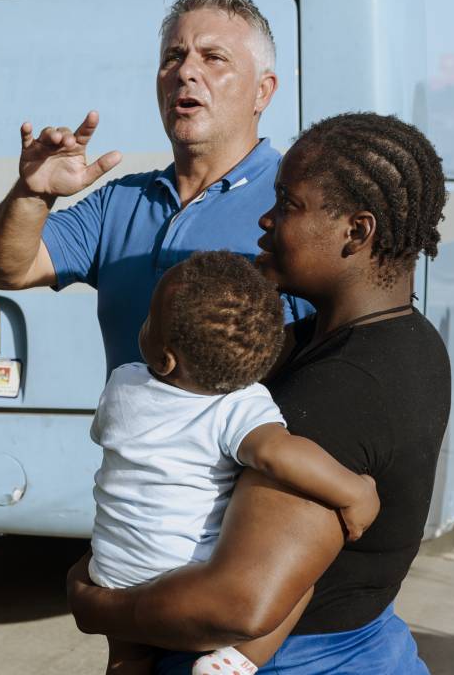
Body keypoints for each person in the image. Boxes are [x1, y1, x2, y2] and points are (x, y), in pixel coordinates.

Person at [66, 112, 451, 674]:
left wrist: (95, 602)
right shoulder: (357, 340)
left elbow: (239, 604)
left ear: (357, 231)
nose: (266, 220)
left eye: (289, 205)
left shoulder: (344, 388)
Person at [0, 0, 311, 377]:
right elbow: (2, 270)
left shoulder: (295, 205)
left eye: (213, 58)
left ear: (263, 91)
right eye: (173, 57)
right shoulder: (121, 201)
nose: (185, 72)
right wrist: (32, 194)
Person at [89, 251, 379, 675]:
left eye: (149, 321)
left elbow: (105, 436)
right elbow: (276, 453)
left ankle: (127, 663)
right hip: (185, 574)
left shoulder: (123, 384)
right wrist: (355, 491)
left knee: (127, 656)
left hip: (112, 568)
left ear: (166, 359)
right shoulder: (239, 406)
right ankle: (237, 660)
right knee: (300, 585)